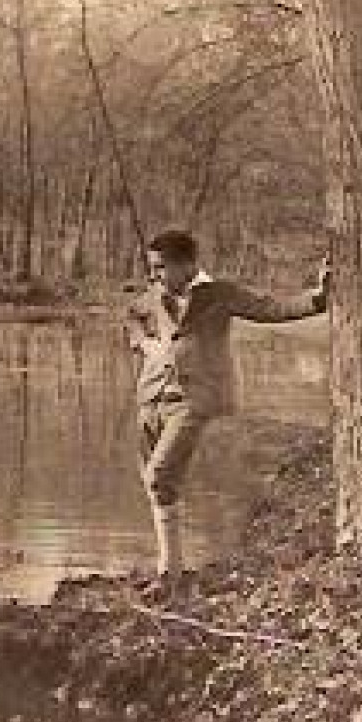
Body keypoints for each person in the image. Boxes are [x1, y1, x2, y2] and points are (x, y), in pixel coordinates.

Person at [126, 228, 328, 586]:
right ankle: (171, 572)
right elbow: (133, 317)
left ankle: (167, 572)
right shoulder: (153, 296)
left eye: (160, 268)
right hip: (151, 397)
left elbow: (271, 309)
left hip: (195, 399)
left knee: (159, 474)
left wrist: (318, 297)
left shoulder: (219, 294)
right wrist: (145, 344)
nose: (154, 275)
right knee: (156, 485)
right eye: (152, 268)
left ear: (187, 265)